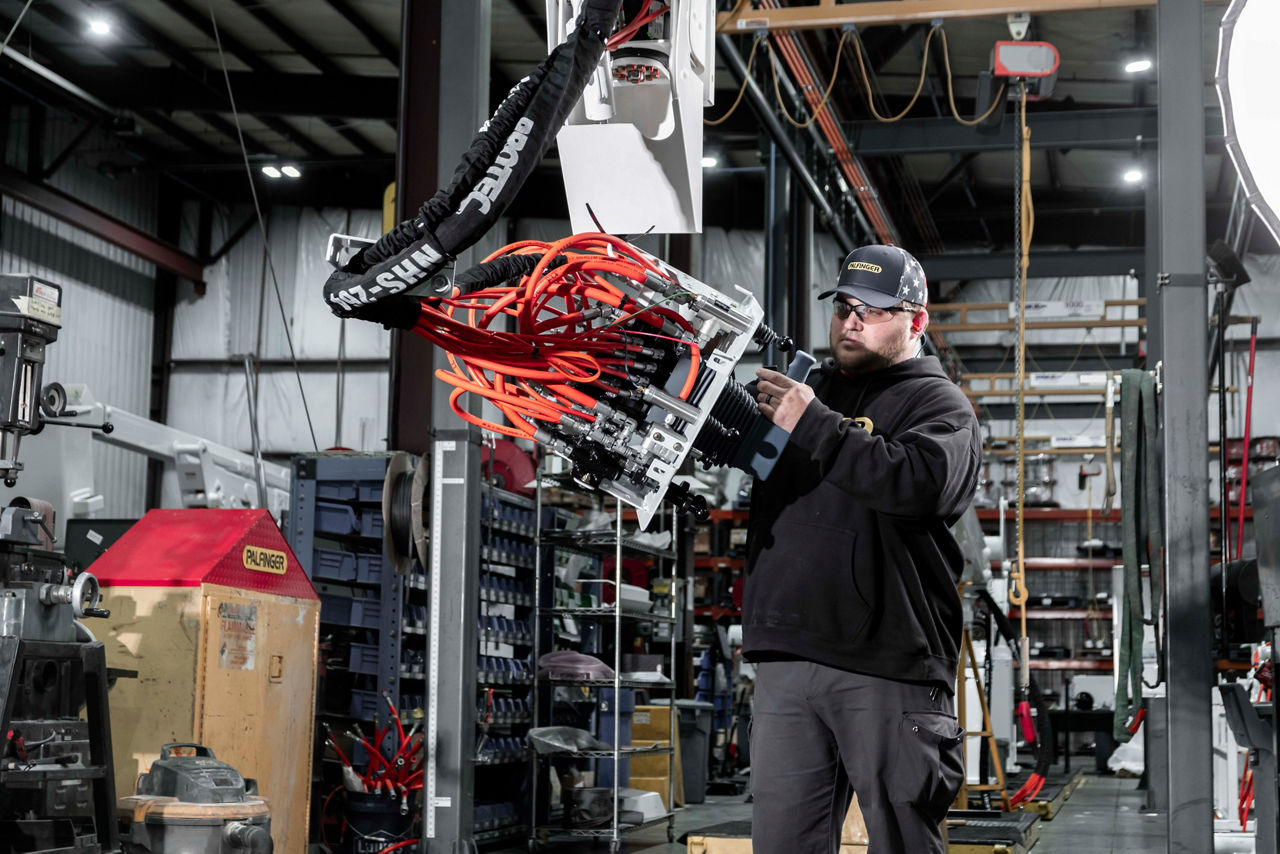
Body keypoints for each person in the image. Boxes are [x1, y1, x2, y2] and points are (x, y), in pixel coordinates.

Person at [743, 244, 982, 854]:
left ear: (916, 321)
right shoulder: (806, 393)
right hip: (788, 657)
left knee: (901, 840)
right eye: (845, 306)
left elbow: (919, 486)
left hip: (885, 665)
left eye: (873, 310)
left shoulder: (939, 406)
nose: (852, 320)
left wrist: (816, 423)